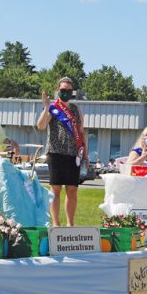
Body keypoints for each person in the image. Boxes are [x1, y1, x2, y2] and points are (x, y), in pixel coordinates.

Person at [37, 77, 87, 226]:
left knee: (72, 190)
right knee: (56, 189)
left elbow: (82, 132)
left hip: (74, 154)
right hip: (55, 153)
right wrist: (46, 108)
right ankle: (56, 224)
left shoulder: (76, 109)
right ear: (58, 90)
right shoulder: (53, 108)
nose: (66, 93)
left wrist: (86, 154)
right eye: (63, 90)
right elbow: (40, 126)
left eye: (69, 91)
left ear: (72, 92)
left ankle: (70, 224)